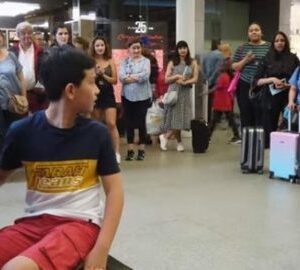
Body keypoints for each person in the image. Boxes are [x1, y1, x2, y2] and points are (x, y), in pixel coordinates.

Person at [0, 46, 124, 270]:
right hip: (32, 225)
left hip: (79, 225)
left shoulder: (97, 134)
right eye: (91, 82)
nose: (97, 90)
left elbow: (115, 192)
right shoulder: (22, 131)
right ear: (71, 90)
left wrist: (101, 249)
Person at [253, 31, 299, 148]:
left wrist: (287, 85)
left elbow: (297, 81)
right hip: (270, 98)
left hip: (288, 98)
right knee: (268, 131)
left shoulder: (293, 59)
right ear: (273, 43)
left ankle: (288, 154)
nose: (280, 43)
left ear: (286, 42)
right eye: (277, 41)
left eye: (282, 40)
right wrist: (272, 79)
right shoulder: (266, 58)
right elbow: (256, 81)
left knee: (289, 127)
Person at [159, 40, 199, 152]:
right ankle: (178, 142)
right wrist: (176, 76)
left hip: (185, 93)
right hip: (174, 93)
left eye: (184, 48)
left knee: (182, 119)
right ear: (177, 50)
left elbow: (195, 78)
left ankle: (166, 137)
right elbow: (166, 79)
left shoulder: (193, 62)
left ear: (187, 49)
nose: (182, 50)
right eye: (180, 48)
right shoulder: (172, 62)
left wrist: (186, 82)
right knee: (175, 119)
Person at [232, 22, 270, 129]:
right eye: (251, 30)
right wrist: (246, 60)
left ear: (261, 32)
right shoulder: (242, 48)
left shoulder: (269, 46)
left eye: (256, 30)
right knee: (246, 116)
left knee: (261, 116)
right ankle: (246, 143)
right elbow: (234, 66)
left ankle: (259, 143)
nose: (254, 32)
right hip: (244, 85)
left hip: (262, 86)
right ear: (248, 34)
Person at [119, 38, 152, 161]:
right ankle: (130, 150)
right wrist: (136, 77)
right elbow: (121, 77)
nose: (136, 50)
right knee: (129, 123)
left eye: (138, 47)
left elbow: (145, 76)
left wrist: (130, 77)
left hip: (143, 97)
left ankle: (142, 150)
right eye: (134, 48)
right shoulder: (124, 62)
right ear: (129, 49)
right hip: (127, 97)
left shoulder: (146, 61)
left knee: (141, 123)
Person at [90, 36, 121, 164]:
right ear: (93, 47)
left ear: (105, 46)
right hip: (95, 95)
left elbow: (114, 80)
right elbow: (88, 79)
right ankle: (96, 151)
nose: (100, 48)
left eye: (102, 45)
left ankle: (116, 152)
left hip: (108, 95)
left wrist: (103, 74)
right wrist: (96, 74)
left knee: (111, 123)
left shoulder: (111, 60)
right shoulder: (90, 61)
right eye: (97, 45)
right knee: (96, 124)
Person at [10, 21, 46, 113]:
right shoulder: (11, 52)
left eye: (29, 32)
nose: (27, 35)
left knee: (36, 123)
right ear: (18, 35)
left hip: (37, 96)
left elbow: (45, 72)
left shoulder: (41, 52)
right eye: (23, 33)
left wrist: (41, 87)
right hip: (17, 96)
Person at [209, 45, 241, 144]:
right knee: (226, 118)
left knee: (220, 119)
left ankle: (208, 136)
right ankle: (236, 135)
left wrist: (207, 91)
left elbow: (218, 84)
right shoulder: (227, 63)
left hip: (224, 98)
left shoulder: (226, 64)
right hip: (224, 97)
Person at [0, 31, 27, 132]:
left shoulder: (11, 55)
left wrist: (24, 97)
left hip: (14, 102)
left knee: (16, 132)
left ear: (2, 38)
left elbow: (21, 77)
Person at [202, 39, 223, 122]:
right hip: (216, 83)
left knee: (208, 104)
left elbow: (203, 69)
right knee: (217, 103)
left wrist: (207, 80)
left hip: (207, 83)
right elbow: (218, 70)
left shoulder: (206, 55)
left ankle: (208, 120)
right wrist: (212, 80)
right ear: (218, 45)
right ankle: (216, 121)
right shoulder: (220, 55)